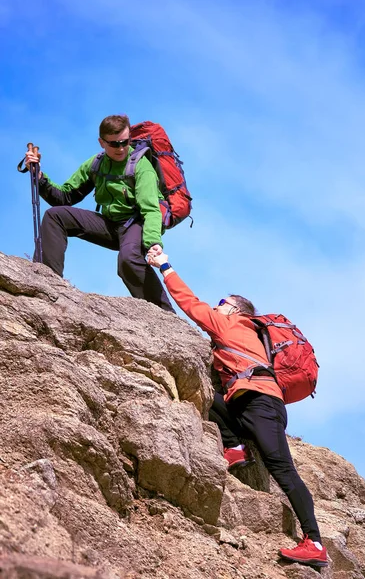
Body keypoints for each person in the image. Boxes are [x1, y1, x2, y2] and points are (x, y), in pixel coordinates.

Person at [147, 251, 328, 568]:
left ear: (234, 310)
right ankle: (236, 446)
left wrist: (164, 264)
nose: (217, 306)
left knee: (283, 470)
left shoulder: (230, 324)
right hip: (248, 402)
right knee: (209, 397)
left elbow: (190, 303)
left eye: (221, 302)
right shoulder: (246, 334)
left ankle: (315, 543)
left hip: (261, 404)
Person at [23, 114, 174, 312]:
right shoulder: (95, 164)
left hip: (134, 225)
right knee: (55, 215)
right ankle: (47, 281)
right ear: (101, 142)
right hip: (109, 224)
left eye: (125, 142)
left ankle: (164, 315)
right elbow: (64, 197)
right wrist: (39, 176)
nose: (121, 148)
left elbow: (151, 210)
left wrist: (153, 242)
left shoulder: (141, 166)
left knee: (128, 261)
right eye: (114, 144)